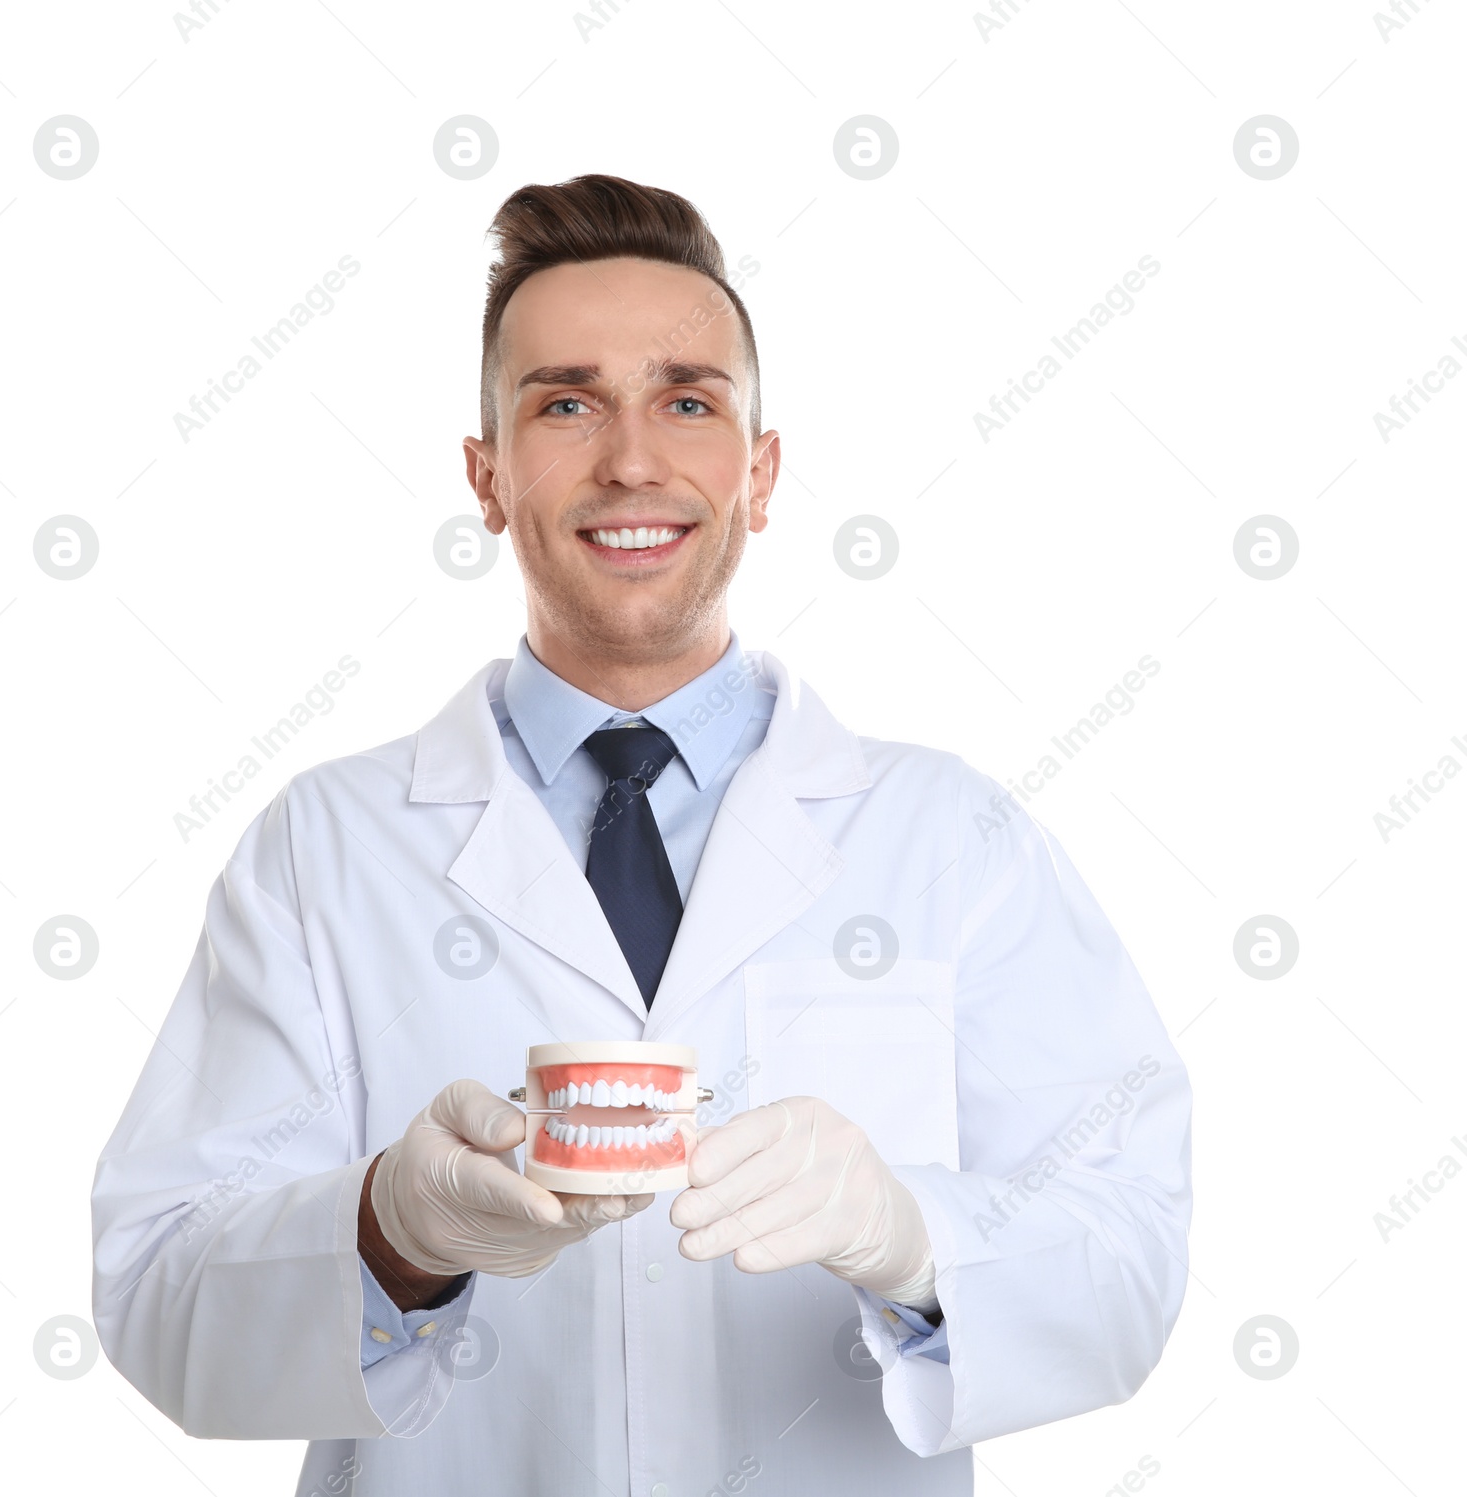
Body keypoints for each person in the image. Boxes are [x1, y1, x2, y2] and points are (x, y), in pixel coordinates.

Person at [92, 174, 1192, 1497]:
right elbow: (158, 1293)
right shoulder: (325, 849)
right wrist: (390, 1228)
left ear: (760, 469)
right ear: (488, 475)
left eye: (688, 400)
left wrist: (910, 1237)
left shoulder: (952, 837)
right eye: (565, 402)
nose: (630, 459)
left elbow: (1131, 1253)